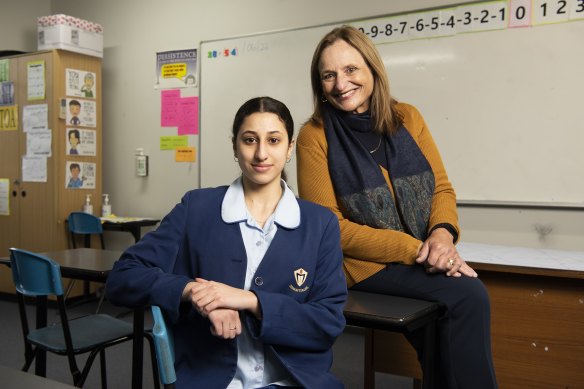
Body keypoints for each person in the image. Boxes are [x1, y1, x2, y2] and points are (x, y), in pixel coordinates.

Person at [296, 25, 497, 389]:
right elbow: (331, 228)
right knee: (469, 295)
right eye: (329, 75)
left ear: (372, 69)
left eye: (351, 70)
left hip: (421, 254)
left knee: (443, 331)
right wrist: (418, 250)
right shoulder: (315, 135)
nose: (341, 84)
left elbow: (442, 190)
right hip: (362, 266)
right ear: (319, 84)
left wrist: (442, 236)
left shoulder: (408, 117)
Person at [105, 96, 347, 389]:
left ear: (290, 147)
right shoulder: (196, 208)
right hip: (215, 380)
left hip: (294, 381)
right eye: (249, 140)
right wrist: (193, 291)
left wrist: (251, 301)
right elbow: (123, 276)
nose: (261, 153)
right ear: (235, 146)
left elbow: (327, 323)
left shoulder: (320, 224)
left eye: (273, 140)